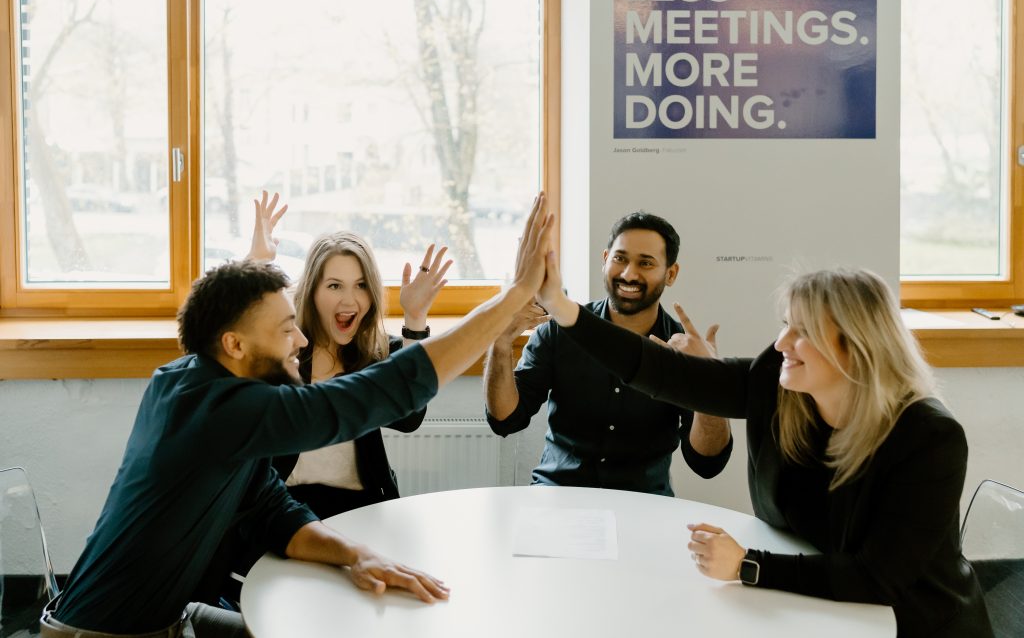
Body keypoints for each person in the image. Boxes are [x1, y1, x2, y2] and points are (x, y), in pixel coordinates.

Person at [41, 193, 554, 638]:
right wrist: (508, 302)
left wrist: (358, 556)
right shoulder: (223, 410)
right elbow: (377, 393)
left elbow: (272, 510)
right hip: (104, 634)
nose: (303, 339)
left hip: (173, 618)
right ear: (235, 344)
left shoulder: (193, 382)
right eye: (287, 328)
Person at [534, 265, 993, 637]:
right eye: (785, 325)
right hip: (814, 610)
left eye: (803, 331)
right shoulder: (778, 384)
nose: (781, 343)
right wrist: (564, 308)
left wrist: (748, 565)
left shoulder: (928, 437)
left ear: (856, 347)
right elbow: (662, 372)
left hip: (911, 623)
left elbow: (879, 579)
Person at [484, 212, 732, 494]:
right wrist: (500, 342)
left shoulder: (682, 350)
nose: (629, 273)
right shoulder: (559, 332)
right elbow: (505, 420)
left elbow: (707, 464)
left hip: (645, 503)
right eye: (620, 259)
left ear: (670, 273)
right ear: (605, 260)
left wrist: (708, 384)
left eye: (646, 263)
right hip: (558, 494)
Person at [247, 192, 451, 518]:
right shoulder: (286, 350)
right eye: (334, 286)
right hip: (285, 507)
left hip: (361, 508)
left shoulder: (379, 351)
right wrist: (257, 262)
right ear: (311, 291)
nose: (349, 301)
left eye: (360, 285)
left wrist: (415, 317)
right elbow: (236, 337)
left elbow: (410, 419)